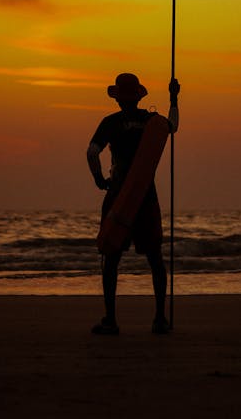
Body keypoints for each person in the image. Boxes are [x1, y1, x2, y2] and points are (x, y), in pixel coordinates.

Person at [87, 72, 180, 335]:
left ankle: (110, 320)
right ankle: (160, 319)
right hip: (145, 195)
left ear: (117, 99)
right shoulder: (151, 120)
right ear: (139, 96)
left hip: (119, 193)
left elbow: (92, 152)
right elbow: (172, 126)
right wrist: (174, 98)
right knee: (155, 258)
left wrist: (98, 180)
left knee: (112, 257)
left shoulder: (110, 123)